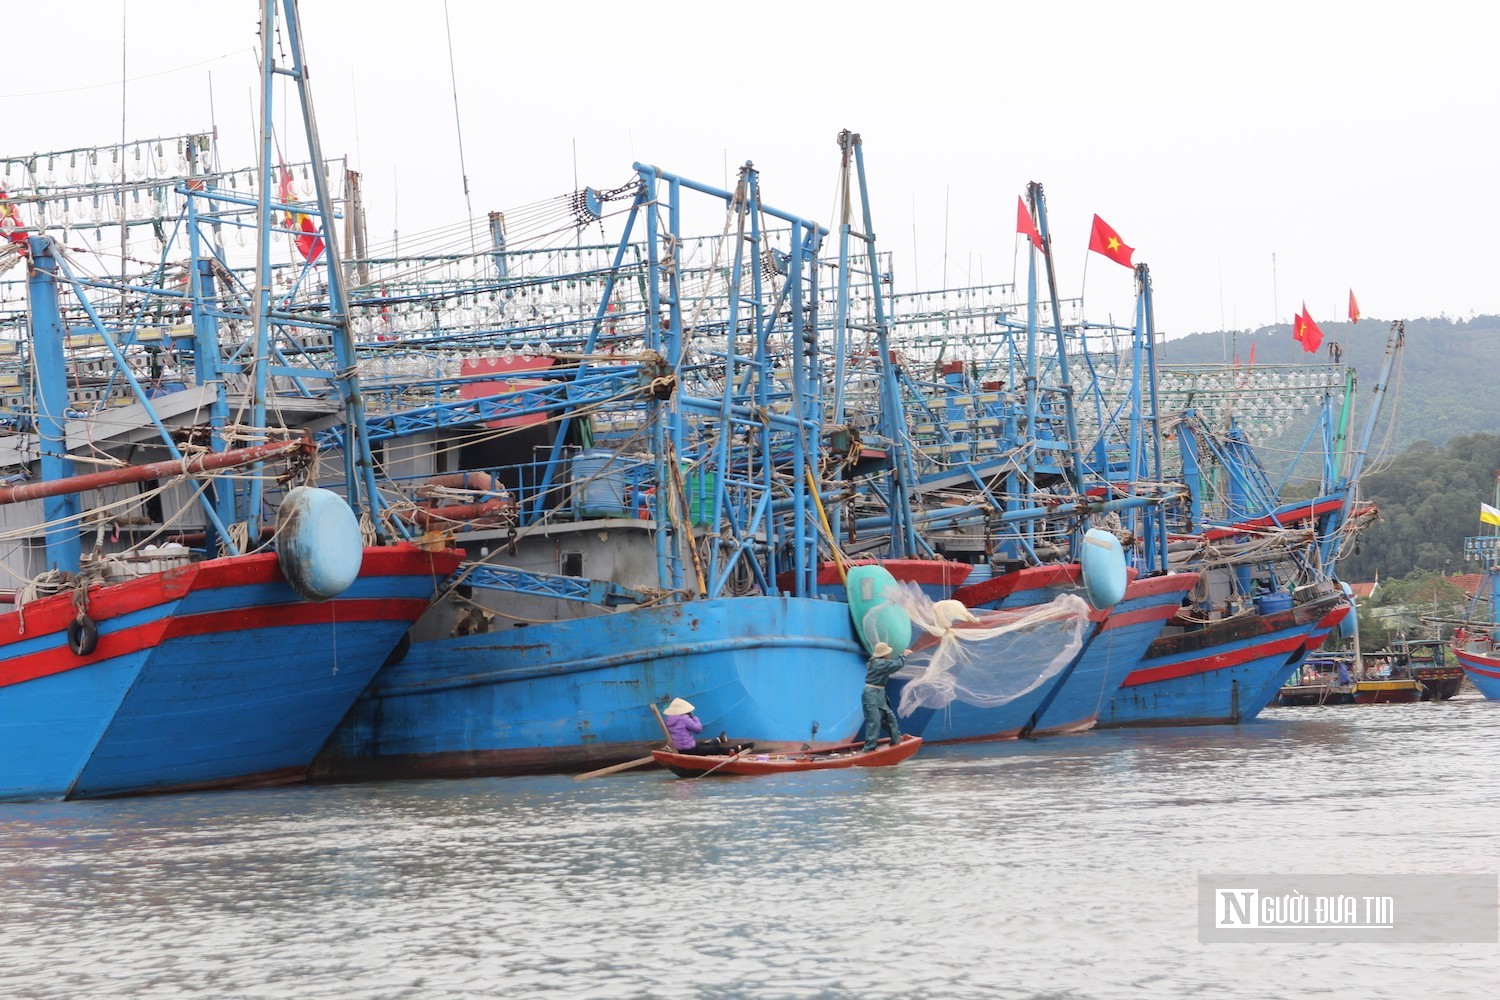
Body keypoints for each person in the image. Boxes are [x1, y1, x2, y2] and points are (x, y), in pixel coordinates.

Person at [660, 698, 750, 755]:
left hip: (681, 748)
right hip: (690, 750)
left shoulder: (668, 720)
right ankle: (738, 748)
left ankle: (719, 739)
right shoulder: (684, 718)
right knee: (716, 749)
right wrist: (694, 717)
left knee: (703, 744)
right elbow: (698, 729)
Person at [862, 641, 907, 752]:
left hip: (879, 695)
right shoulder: (879, 664)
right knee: (874, 722)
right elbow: (897, 665)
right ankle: (869, 749)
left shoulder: (880, 662)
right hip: (871, 696)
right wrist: (904, 655)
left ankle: (896, 742)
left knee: (890, 718)